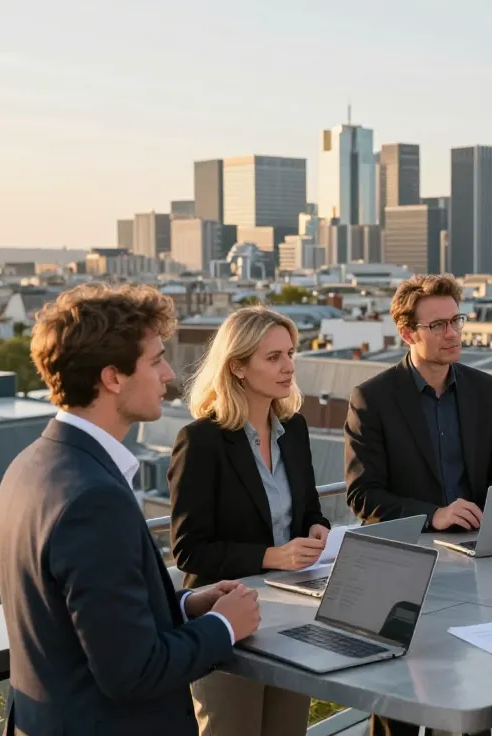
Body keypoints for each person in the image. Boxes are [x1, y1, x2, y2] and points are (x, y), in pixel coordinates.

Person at [0, 284, 260, 736]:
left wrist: (188, 605)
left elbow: (89, 624)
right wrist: (222, 626)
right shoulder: (93, 500)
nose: (169, 374)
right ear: (112, 377)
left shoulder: (29, 465)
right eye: (155, 361)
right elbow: (132, 672)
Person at [344, 273, 492, 736]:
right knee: (398, 710)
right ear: (408, 333)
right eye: (438, 325)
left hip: (472, 567)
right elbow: (363, 495)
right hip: (403, 570)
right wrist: (433, 515)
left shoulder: (483, 389)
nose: (453, 334)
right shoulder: (374, 398)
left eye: (456, 321)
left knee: (467, 696)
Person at [168, 306, 331, 736]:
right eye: (273, 357)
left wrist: (317, 529)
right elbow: (188, 549)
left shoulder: (293, 430)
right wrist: (272, 555)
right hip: (229, 618)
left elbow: (310, 510)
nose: (288, 366)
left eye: (290, 353)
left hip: (293, 613)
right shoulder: (201, 441)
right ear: (237, 366)